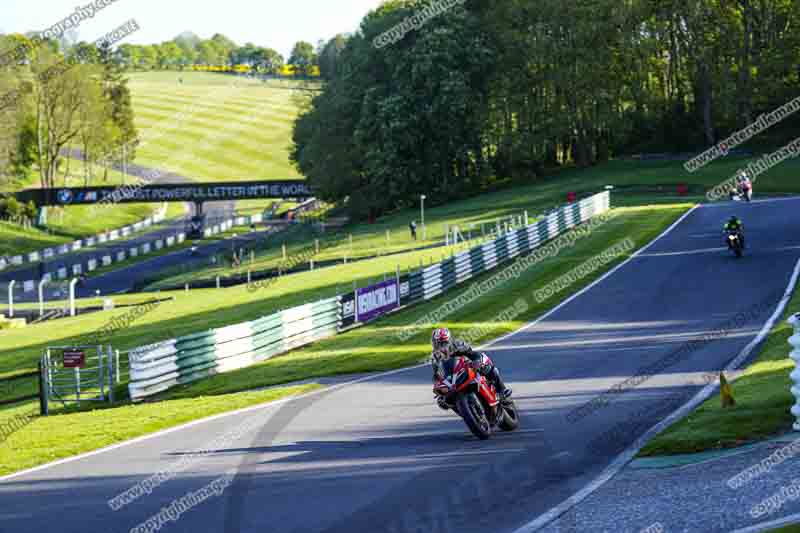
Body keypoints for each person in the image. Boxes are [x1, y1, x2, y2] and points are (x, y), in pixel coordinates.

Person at [430, 327, 511, 410]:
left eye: (443, 343)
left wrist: (477, 361)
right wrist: (438, 389)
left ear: (449, 341)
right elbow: (436, 375)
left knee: (488, 367)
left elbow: (473, 353)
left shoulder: (457, 344)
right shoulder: (435, 358)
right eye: (437, 344)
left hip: (468, 368)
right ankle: (463, 411)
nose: (440, 346)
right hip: (452, 379)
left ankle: (502, 390)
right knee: (443, 401)